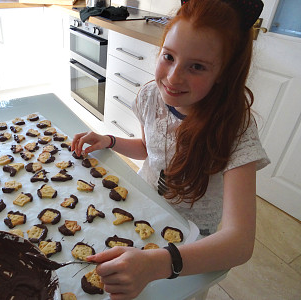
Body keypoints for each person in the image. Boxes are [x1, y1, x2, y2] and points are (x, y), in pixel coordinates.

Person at [71, 0, 270, 299]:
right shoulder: (151, 95)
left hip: (192, 241)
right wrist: (110, 141)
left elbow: (239, 243)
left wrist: (157, 265)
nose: (174, 77)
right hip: (142, 209)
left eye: (197, 66)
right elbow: (148, 149)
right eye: (169, 56)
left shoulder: (236, 129)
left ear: (224, 73)